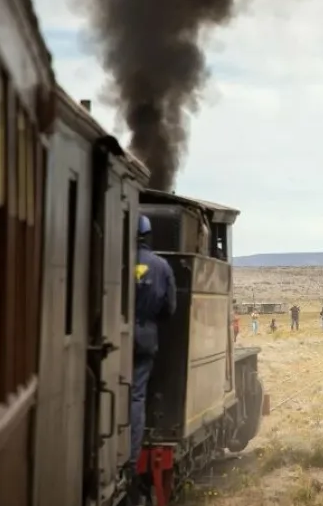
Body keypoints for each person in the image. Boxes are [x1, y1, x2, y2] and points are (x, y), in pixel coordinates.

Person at [128, 214, 176, 503]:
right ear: (148, 235)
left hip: (112, 333)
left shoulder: (114, 258)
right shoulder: (161, 266)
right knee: (136, 395)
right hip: (145, 337)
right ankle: (131, 459)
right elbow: (169, 308)